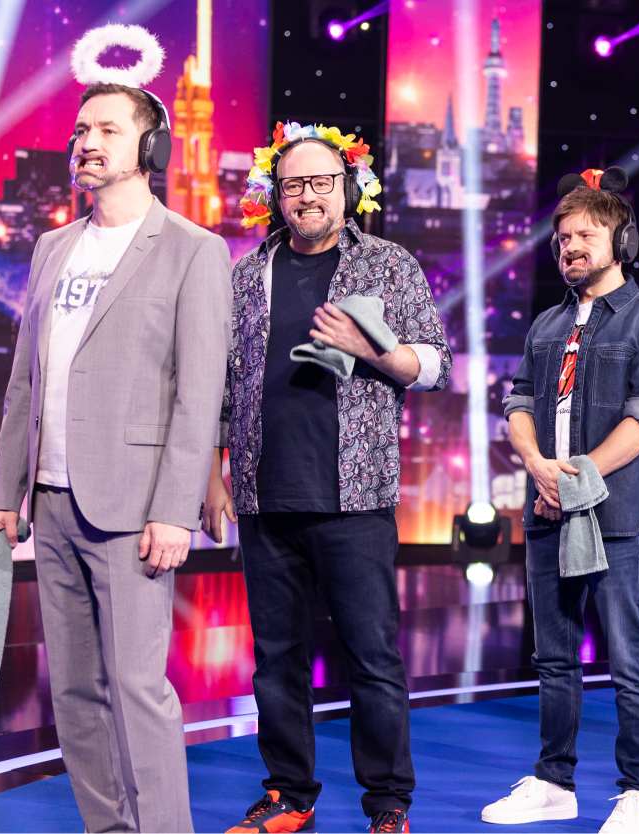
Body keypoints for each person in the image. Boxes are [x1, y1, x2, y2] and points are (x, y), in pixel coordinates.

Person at [0, 72, 232, 830]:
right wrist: (4, 495)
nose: (87, 143)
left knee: (136, 687)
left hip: (133, 510)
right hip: (52, 505)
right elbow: (24, 381)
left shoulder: (193, 250)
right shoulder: (51, 247)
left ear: (152, 147)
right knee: (74, 693)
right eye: (81, 131)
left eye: (108, 130)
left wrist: (175, 510)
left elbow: (199, 392)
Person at [205, 121, 451, 834]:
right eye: (293, 185)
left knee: (372, 657)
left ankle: (388, 803)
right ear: (274, 195)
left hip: (355, 494)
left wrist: (372, 349)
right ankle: (289, 793)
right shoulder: (247, 274)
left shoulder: (387, 264)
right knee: (276, 658)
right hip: (263, 492)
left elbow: (436, 364)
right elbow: (223, 381)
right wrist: (213, 472)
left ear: (348, 189)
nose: (307, 196)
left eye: (320, 182)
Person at [483, 168, 639, 834]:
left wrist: (576, 477)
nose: (569, 247)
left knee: (628, 658)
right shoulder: (547, 324)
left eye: (584, 236)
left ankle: (637, 793)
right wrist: (537, 465)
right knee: (553, 657)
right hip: (547, 512)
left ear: (621, 242)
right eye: (563, 238)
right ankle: (553, 781)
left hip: (615, 519)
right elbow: (517, 402)